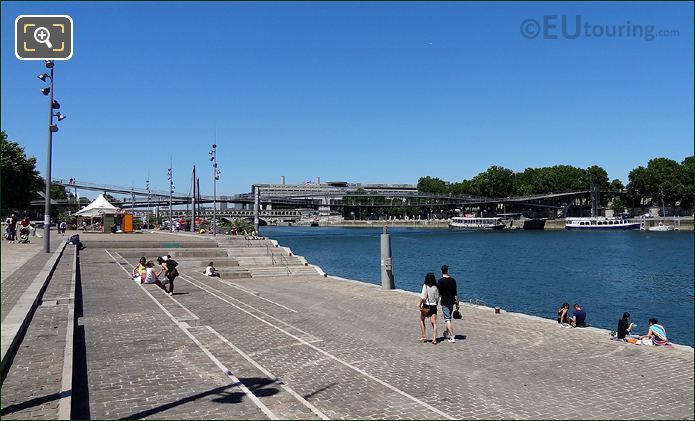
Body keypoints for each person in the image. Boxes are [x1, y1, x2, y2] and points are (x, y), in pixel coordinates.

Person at [437, 264, 459, 343]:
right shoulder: (453, 280)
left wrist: (436, 302)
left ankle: (452, 336)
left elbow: (438, 293)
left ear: (441, 271)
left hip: (444, 302)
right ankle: (446, 333)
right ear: (448, 271)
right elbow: (455, 293)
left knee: (447, 319)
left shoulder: (440, 281)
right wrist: (457, 303)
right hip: (452, 301)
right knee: (449, 318)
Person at [418, 272, 440, 344]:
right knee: (434, 323)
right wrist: (436, 304)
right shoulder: (436, 286)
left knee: (421, 320)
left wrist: (419, 304)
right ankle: (434, 339)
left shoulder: (425, 286)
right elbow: (437, 297)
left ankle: (424, 336)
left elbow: (423, 297)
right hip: (433, 306)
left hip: (426, 306)